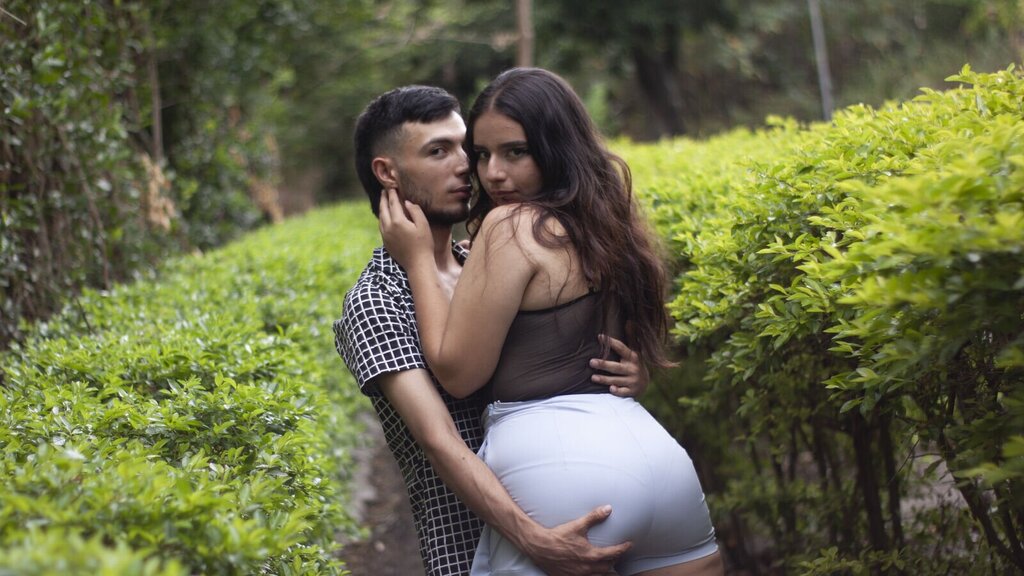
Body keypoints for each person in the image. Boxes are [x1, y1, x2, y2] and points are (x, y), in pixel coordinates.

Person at [379, 68, 722, 575]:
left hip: (560, 472)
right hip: (662, 466)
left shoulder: (510, 226)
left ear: (555, 148)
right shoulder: (604, 223)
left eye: (515, 152)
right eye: (482, 154)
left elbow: (457, 373)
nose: (492, 174)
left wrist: (417, 263)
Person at [334, 84, 652, 576]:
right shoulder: (376, 300)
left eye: (467, 148)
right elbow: (439, 440)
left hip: (584, 512)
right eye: (439, 151)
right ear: (387, 173)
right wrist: (534, 539)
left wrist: (627, 376)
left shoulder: (487, 259)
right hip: (472, 544)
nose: (468, 166)